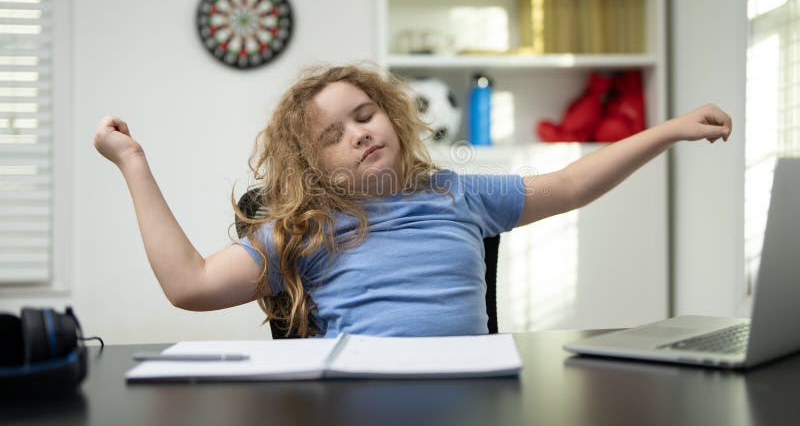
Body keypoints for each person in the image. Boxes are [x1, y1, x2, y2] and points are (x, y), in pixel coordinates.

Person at [93, 63, 732, 339]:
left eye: (365, 115)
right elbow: (191, 284)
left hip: (471, 397)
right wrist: (133, 162)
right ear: (312, 166)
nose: (358, 133)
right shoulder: (307, 230)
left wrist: (669, 130)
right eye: (333, 136)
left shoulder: (460, 192)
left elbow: (569, 184)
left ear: (393, 117)